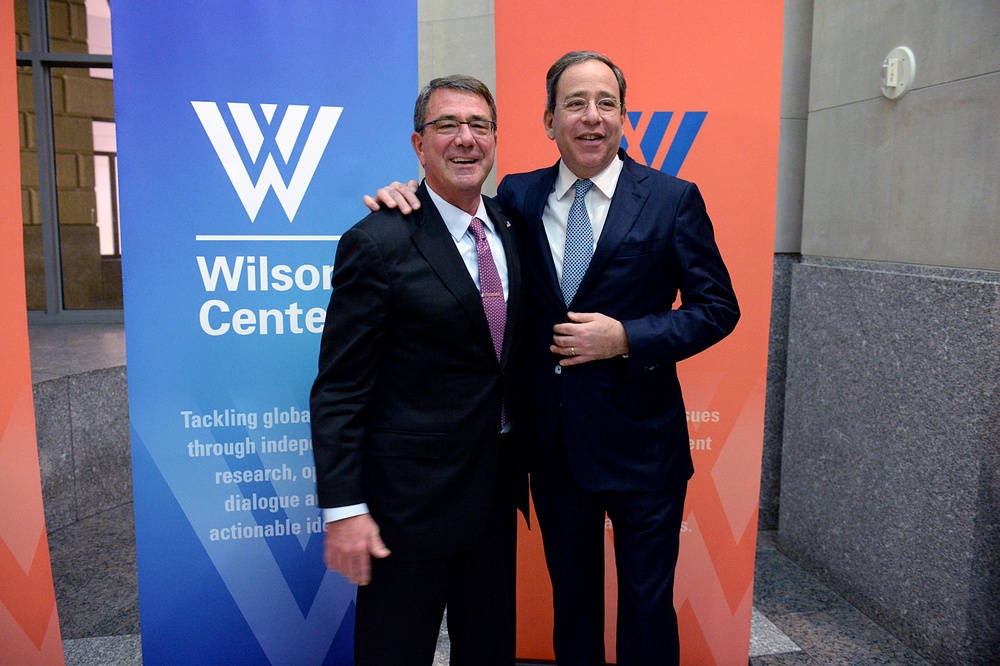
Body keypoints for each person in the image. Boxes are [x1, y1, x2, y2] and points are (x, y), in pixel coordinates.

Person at [368, 51, 739, 666]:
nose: (591, 118)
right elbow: (454, 222)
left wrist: (627, 337)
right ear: (548, 120)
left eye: (606, 103)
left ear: (623, 117)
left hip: (645, 448)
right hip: (553, 448)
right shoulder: (516, 195)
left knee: (647, 608)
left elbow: (717, 307)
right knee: (573, 607)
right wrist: (404, 197)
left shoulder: (673, 199)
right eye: (575, 103)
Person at [311, 74, 526, 666]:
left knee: (488, 651)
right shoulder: (378, 240)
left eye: (479, 125)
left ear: (495, 139)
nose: (465, 139)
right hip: (406, 509)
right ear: (417, 143)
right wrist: (345, 510)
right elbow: (339, 389)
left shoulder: (513, 227)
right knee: (394, 654)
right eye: (447, 125)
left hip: (493, 495)